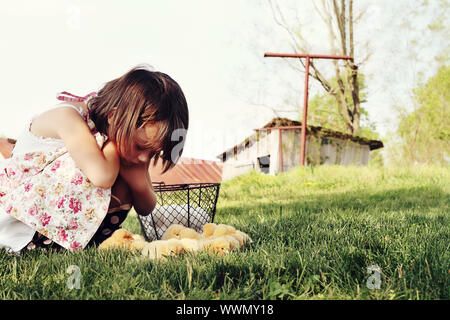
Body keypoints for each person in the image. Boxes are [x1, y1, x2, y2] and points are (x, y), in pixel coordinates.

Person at [0, 64, 189, 253]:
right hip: (21, 224)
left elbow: (147, 207)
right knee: (107, 167)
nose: (143, 158)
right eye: (140, 147)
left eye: (153, 152)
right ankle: (50, 243)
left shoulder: (127, 136)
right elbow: (102, 176)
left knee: (123, 174)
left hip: (59, 222)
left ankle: (88, 240)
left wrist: (138, 181)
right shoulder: (67, 117)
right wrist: (114, 148)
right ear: (113, 116)